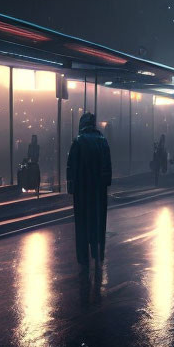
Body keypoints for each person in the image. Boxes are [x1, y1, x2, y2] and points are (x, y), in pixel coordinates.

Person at [67, 112, 112, 276]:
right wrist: (105, 183)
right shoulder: (103, 140)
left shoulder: (78, 141)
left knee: (82, 222)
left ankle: (83, 256)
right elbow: (108, 167)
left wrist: (71, 187)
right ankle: (98, 251)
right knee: (98, 220)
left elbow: (71, 167)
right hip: (99, 190)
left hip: (82, 190)